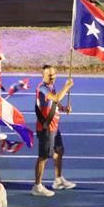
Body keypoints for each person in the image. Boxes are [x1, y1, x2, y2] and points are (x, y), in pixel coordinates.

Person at [32, 64, 75, 197]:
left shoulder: (51, 87)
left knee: (59, 151)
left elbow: (54, 103)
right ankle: (37, 185)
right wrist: (67, 87)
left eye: (54, 74)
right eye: (49, 75)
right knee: (43, 157)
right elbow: (55, 98)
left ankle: (58, 180)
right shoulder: (43, 88)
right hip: (46, 128)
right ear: (43, 76)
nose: (52, 77)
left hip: (54, 126)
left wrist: (63, 108)